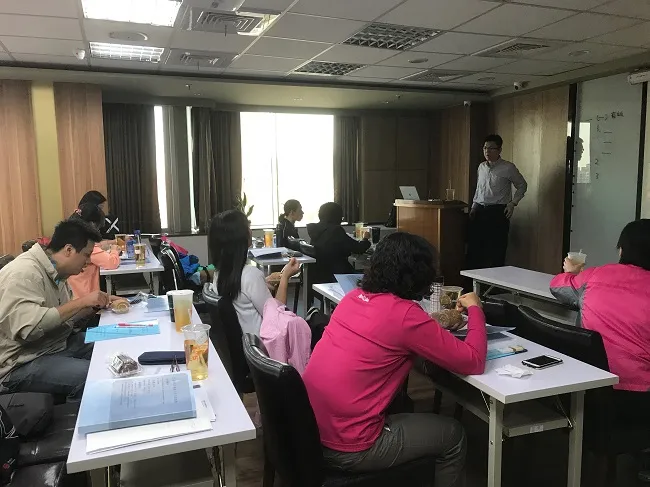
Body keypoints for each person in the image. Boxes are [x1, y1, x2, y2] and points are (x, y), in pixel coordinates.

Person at [303, 232, 487, 487]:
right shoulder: (406, 315)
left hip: (310, 432)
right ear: (419, 274)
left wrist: (432, 326)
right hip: (351, 447)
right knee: (454, 435)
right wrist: (476, 309)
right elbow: (473, 361)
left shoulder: (352, 299)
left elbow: (392, 331)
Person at [0, 219, 120, 399]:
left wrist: (93, 305)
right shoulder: (23, 273)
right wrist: (81, 302)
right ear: (69, 250)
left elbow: (63, 318)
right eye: (86, 255)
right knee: (97, 376)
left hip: (54, 344)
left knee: (112, 341)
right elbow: (29, 329)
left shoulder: (56, 273)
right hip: (20, 362)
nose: (88, 261)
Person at [550, 219, 650, 396]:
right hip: (641, 391)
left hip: (592, 384)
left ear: (621, 250)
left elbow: (557, 286)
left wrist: (571, 273)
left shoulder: (595, 275)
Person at [209, 210, 300, 336]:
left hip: (243, 342)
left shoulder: (219, 273)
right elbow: (277, 318)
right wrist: (285, 277)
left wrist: (264, 282)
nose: (250, 231)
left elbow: (242, 291)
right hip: (261, 344)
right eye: (248, 227)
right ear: (239, 237)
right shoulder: (251, 275)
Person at [467, 134, 527, 269]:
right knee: (475, 250)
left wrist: (513, 203)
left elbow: (522, 185)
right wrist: (474, 206)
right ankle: (474, 280)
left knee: (496, 251)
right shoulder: (481, 167)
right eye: (484, 148)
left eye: (491, 148)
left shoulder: (508, 167)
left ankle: (494, 282)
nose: (487, 151)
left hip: (497, 211)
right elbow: (479, 189)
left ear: (499, 150)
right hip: (479, 210)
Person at [307, 202, 371, 282]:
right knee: (371, 277)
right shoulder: (335, 231)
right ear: (337, 216)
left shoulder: (316, 230)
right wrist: (365, 239)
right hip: (337, 275)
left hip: (321, 275)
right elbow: (359, 248)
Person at [67, 203, 121, 299]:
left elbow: (97, 246)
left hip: (74, 291)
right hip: (85, 294)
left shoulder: (73, 236)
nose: (99, 231)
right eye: (98, 228)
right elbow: (111, 263)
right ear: (92, 224)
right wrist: (114, 251)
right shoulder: (86, 243)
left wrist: (111, 243)